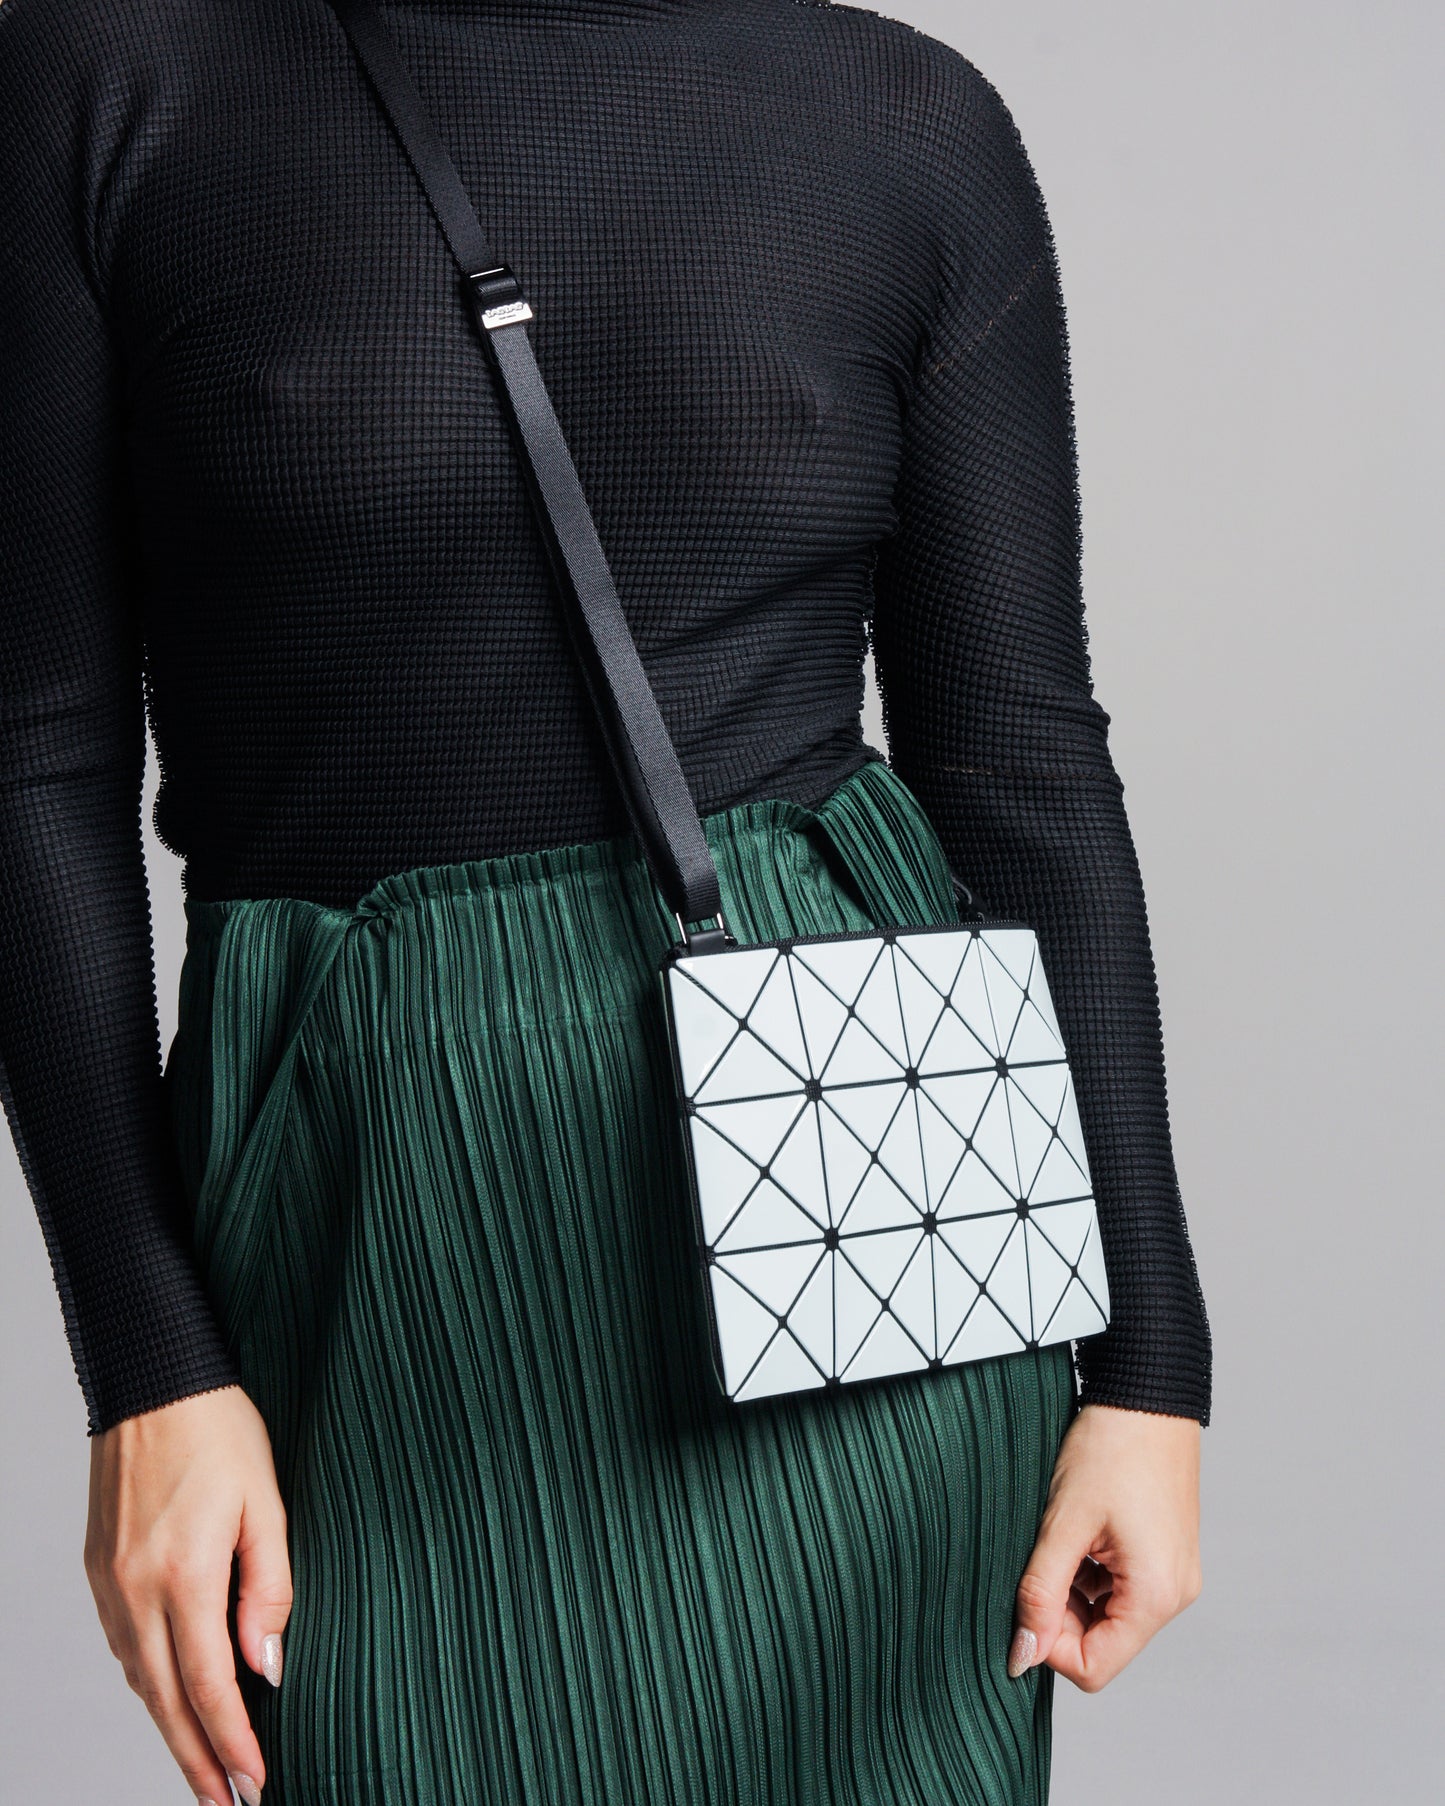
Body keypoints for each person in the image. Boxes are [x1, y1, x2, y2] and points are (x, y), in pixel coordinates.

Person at [0, 1, 1210, 1802]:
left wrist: (1148, 1361)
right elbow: (34, 753)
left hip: (855, 1188)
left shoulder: (905, 119)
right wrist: (148, 1359)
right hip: (374, 1200)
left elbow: (1019, 760)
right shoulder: (114, 81)